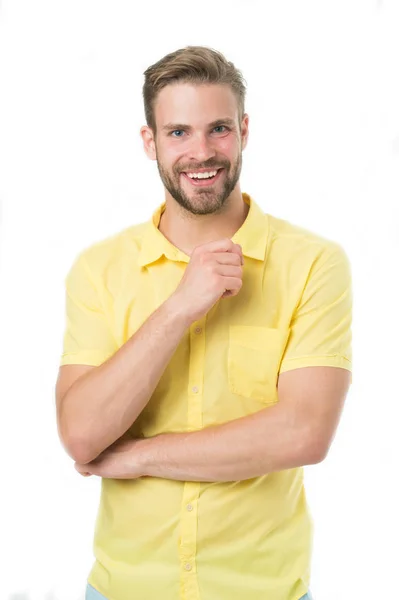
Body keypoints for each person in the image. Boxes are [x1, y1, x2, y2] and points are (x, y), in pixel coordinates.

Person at [56, 46, 352, 600]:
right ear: (150, 141)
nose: (201, 152)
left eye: (218, 128)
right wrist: (178, 308)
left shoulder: (313, 262)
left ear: (243, 131)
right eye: (178, 133)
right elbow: (81, 433)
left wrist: (139, 456)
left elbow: (305, 432)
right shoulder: (99, 270)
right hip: (124, 590)